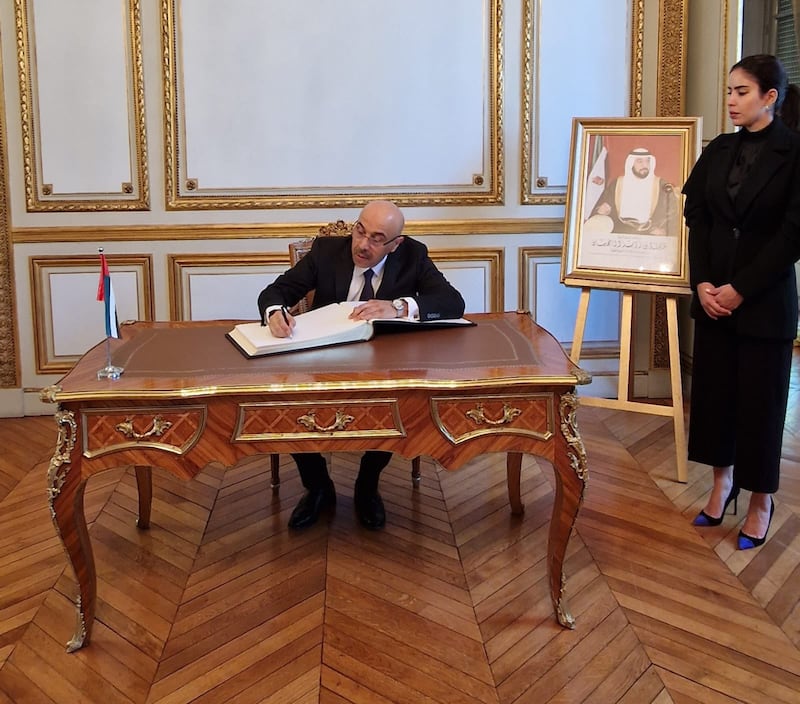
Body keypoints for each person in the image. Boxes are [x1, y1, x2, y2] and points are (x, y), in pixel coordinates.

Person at [257, 199, 466, 531]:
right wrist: (274, 314)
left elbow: (453, 303)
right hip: (323, 359)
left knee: (398, 403)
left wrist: (398, 307)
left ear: (395, 244)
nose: (362, 245)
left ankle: (367, 483)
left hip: (383, 362)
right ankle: (318, 487)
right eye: (359, 231)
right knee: (289, 403)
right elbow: (275, 291)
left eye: (377, 238)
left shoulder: (413, 254)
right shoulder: (327, 251)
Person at [682, 54, 800, 550]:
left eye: (742, 92)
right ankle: (721, 485)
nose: (731, 100)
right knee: (714, 401)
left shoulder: (795, 153)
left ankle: (759, 501)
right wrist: (703, 283)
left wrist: (741, 288)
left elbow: (793, 235)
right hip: (715, 303)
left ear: (770, 97)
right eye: (729, 91)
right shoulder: (718, 149)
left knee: (762, 407)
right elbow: (698, 218)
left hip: (763, 305)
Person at [589, 147, 678, 235]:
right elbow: (602, 207)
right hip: (619, 230)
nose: (645, 165)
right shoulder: (618, 184)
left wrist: (665, 230)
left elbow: (672, 211)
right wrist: (601, 211)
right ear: (631, 163)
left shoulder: (661, 185)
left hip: (650, 232)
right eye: (640, 161)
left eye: (647, 161)